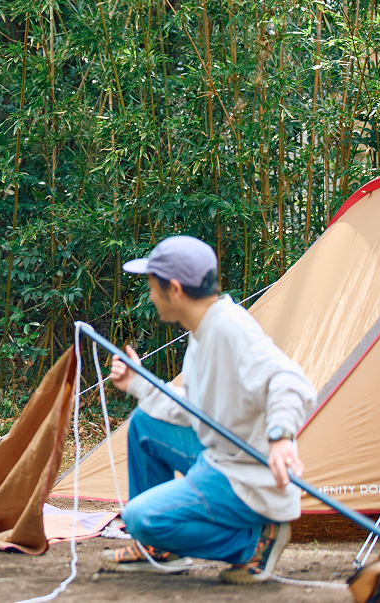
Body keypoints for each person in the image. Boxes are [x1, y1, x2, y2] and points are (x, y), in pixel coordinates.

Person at [100, 235, 316, 584]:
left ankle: (252, 544)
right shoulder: (203, 330)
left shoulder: (230, 328)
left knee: (141, 518)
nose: (150, 297)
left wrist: (280, 436)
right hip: (218, 454)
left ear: (174, 289)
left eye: (153, 288)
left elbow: (289, 380)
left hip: (245, 474)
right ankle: (159, 549)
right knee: (144, 423)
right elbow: (195, 409)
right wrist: (139, 384)